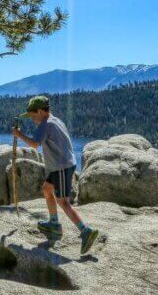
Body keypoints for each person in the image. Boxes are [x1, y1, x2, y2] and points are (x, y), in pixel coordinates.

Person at [12, 95, 101, 254]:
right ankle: (54, 224)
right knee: (47, 189)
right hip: (62, 165)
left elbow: (34, 144)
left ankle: (86, 231)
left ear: (40, 111)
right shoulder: (56, 121)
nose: (32, 119)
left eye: (33, 115)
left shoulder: (45, 125)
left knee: (63, 202)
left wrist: (19, 135)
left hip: (61, 167)